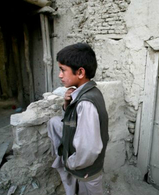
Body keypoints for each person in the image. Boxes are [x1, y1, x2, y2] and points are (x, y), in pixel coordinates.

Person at [47, 43, 109, 195]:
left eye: (63, 70)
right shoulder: (87, 92)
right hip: (83, 166)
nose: (60, 75)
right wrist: (67, 104)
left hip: (86, 169)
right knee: (54, 121)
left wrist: (70, 163)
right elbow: (74, 123)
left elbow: (89, 148)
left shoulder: (86, 102)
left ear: (80, 72)